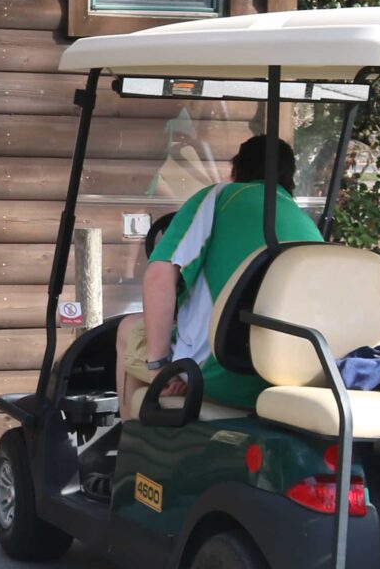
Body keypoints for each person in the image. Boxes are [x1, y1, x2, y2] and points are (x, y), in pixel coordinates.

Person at [122, 133, 321, 417]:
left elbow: (158, 276)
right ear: (290, 178)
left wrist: (159, 367)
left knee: (129, 332)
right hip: (284, 376)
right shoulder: (306, 225)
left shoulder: (216, 199)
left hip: (216, 373)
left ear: (236, 169)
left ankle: (131, 448)